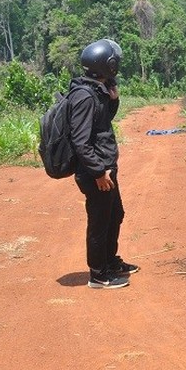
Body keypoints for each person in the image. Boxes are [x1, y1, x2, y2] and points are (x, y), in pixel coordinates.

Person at [70, 38, 139, 289]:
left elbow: (100, 124)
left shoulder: (95, 91)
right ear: (107, 65)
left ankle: (110, 262)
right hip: (95, 172)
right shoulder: (84, 96)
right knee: (100, 221)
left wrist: (113, 100)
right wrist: (98, 171)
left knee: (114, 215)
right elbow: (80, 140)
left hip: (104, 170)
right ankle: (98, 274)